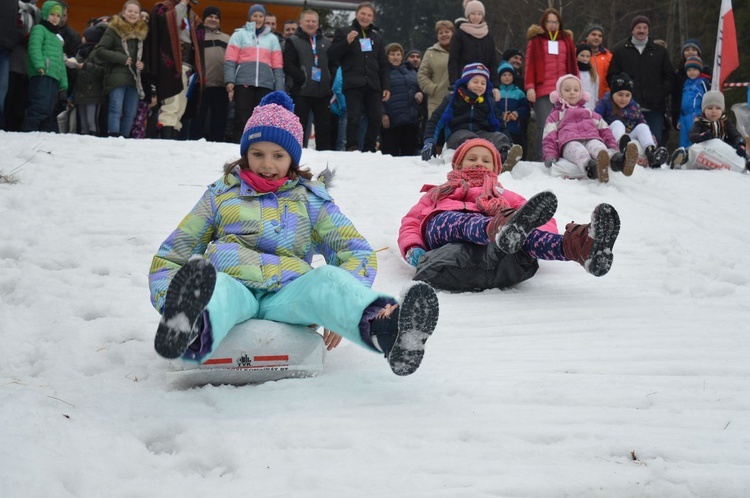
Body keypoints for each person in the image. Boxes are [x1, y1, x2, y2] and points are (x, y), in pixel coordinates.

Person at [149, 91, 440, 377]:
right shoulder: (221, 194)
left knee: (327, 280)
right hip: (236, 284)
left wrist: (338, 311)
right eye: (257, 154)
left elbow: (355, 251)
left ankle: (385, 329)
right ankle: (190, 324)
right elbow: (173, 254)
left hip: (288, 293)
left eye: (278, 155)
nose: (267, 164)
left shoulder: (310, 200)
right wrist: (166, 302)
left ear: (293, 159)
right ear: (244, 155)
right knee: (216, 288)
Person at [399, 138, 622, 294]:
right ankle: (498, 228)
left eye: (486, 161)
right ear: (457, 164)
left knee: (524, 235)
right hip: (443, 232)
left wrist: (537, 235)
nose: (479, 163)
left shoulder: (503, 194)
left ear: (495, 168)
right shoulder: (440, 192)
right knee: (459, 221)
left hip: (495, 241)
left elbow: (538, 217)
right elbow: (411, 221)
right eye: (472, 158)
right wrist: (412, 248)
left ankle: (582, 249)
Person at [422, 62, 522, 170]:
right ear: (466, 82)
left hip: (481, 134)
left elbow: (500, 125)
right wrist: (429, 141)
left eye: (483, 83)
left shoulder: (488, 102)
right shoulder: (452, 99)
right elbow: (435, 121)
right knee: (470, 139)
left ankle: (505, 157)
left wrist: (508, 141)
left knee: (499, 137)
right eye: (475, 82)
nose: (479, 85)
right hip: (457, 135)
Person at [542, 74, 637, 183]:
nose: (572, 92)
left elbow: (604, 128)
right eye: (567, 90)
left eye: (576, 90)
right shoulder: (555, 115)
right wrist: (550, 155)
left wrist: (612, 146)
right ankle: (592, 168)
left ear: (581, 94)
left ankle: (618, 162)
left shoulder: (589, 112)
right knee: (579, 152)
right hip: (569, 142)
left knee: (599, 147)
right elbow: (549, 137)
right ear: (559, 94)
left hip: (592, 137)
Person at [328, 2, 390, 152]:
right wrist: (346, 42)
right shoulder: (343, 32)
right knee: (353, 117)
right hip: (353, 83)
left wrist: (386, 86)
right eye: (363, 13)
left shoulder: (377, 38)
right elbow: (331, 56)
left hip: (373, 84)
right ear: (357, 14)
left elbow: (383, 64)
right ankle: (352, 146)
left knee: (375, 118)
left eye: (369, 15)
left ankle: (369, 148)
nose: (365, 17)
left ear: (373, 18)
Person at [607, 15, 674, 146]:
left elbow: (670, 76)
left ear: (648, 30)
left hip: (654, 108)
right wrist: (621, 95)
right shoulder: (620, 51)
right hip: (626, 107)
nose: (641, 31)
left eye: (645, 28)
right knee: (626, 143)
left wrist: (661, 93)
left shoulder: (660, 52)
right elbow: (611, 76)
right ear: (632, 30)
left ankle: (655, 163)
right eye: (638, 27)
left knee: (654, 141)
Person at [145, 0, 205, 140]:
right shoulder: (163, 9)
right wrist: (182, 4)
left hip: (187, 67)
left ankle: (174, 140)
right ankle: (167, 141)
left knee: (180, 108)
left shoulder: (193, 16)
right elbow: (170, 23)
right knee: (171, 105)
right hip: (170, 67)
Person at [225, 4, 285, 144]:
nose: (257, 19)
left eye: (260, 16)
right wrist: (230, 81)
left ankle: (256, 145)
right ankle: (239, 145)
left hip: (265, 84)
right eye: (255, 15)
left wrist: (280, 89)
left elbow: (277, 66)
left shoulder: (272, 39)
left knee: (261, 117)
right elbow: (230, 60)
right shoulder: (239, 34)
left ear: (264, 18)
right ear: (249, 17)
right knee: (242, 115)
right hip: (243, 82)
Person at [524, 8, 578, 160]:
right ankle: (540, 159)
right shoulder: (536, 40)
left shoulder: (566, 40)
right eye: (549, 21)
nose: (553, 25)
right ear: (544, 23)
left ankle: (560, 156)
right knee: (544, 125)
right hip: (543, 91)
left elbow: (573, 66)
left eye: (555, 22)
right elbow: (529, 65)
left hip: (564, 92)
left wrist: (577, 88)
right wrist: (530, 87)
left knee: (563, 125)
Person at [95, 0, 148, 138]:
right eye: (129, 11)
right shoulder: (113, 29)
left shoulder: (142, 33)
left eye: (136, 12)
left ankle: (124, 139)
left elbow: (147, 56)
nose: (132, 14)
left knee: (130, 112)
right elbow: (99, 50)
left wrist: (143, 64)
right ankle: (113, 136)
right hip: (116, 77)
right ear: (123, 12)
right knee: (115, 108)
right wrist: (121, 58)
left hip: (135, 79)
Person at [594, 72, 669, 169]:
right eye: (620, 95)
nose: (623, 99)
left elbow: (641, 121)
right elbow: (594, 120)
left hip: (629, 136)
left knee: (642, 126)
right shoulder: (605, 103)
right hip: (610, 137)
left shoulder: (633, 106)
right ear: (613, 93)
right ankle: (621, 147)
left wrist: (650, 136)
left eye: (627, 95)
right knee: (617, 123)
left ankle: (651, 152)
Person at [283, 9, 332, 150]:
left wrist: (329, 78)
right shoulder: (293, 41)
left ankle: (325, 155)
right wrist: (301, 77)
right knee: (299, 126)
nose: (311, 24)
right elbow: (288, 64)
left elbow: (333, 63)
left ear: (318, 24)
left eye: (314, 21)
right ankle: (296, 152)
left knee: (324, 127)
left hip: (322, 92)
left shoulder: (326, 42)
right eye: (308, 21)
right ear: (301, 23)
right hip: (301, 91)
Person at [669, 90, 749, 173]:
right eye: (710, 108)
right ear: (704, 109)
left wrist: (740, 144)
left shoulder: (725, 123)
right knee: (692, 149)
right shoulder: (700, 122)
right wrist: (701, 136)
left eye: (718, 108)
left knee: (739, 152)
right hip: (705, 152)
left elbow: (735, 135)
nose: (713, 111)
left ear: (722, 110)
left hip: (723, 152)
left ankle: (747, 162)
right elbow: (692, 135)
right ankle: (680, 160)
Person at [22, 0, 68, 132]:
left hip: (53, 76)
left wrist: (63, 81)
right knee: (38, 107)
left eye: (58, 16)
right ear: (46, 14)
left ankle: (43, 138)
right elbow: (34, 48)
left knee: (49, 110)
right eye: (52, 14)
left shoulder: (56, 37)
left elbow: (60, 59)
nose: (55, 18)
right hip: (41, 74)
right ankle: (28, 133)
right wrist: (39, 65)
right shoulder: (39, 29)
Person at [188, 6, 230, 142]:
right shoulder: (197, 36)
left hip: (221, 85)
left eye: (216, 17)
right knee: (198, 118)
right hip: (201, 85)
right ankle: (194, 143)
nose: (213, 19)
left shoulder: (227, 38)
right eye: (210, 16)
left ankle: (218, 143)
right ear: (204, 19)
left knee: (219, 119)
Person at [448, 1, 499, 102]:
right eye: (473, 14)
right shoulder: (460, 34)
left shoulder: (488, 36)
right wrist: (454, 83)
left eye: (479, 14)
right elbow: (453, 60)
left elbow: (493, 63)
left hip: (483, 85)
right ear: (468, 15)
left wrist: (495, 86)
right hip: (463, 84)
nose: (476, 17)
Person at [381, 43, 422, 157]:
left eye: (398, 54)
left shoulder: (411, 71)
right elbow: (376, 96)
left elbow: (419, 87)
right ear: (387, 56)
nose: (395, 57)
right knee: (390, 157)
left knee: (408, 157)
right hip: (391, 121)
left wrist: (420, 93)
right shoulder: (382, 73)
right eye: (392, 54)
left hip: (410, 120)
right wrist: (382, 113)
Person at [71, 24, 106, 136]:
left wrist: (85, 66)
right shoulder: (81, 51)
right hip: (80, 91)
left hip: (94, 92)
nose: (82, 38)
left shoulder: (99, 52)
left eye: (85, 36)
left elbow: (103, 71)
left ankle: (94, 143)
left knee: (92, 121)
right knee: (83, 123)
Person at [671, 38, 711, 135]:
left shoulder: (706, 73)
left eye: (693, 49)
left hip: (699, 115)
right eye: (687, 50)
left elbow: (709, 96)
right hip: (683, 115)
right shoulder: (679, 73)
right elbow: (676, 97)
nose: (690, 52)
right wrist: (676, 117)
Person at [417, 20, 454, 119]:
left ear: (453, 33)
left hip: (459, 99)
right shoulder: (430, 53)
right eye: (440, 33)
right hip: (437, 101)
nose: (444, 35)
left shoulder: (461, 50)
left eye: (447, 32)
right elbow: (422, 75)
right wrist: (433, 89)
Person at [677, 55, 710, 148]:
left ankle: (694, 159)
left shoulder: (702, 82)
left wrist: (703, 117)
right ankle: (682, 159)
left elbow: (707, 99)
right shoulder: (686, 83)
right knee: (683, 141)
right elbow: (683, 102)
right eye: (689, 70)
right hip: (684, 117)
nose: (691, 72)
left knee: (694, 141)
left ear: (699, 70)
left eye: (694, 69)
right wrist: (680, 119)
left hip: (695, 115)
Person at [496, 62, 529, 149]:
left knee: (515, 147)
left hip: (515, 128)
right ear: (499, 77)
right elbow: (492, 107)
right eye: (504, 75)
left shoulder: (519, 93)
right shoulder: (496, 92)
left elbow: (525, 107)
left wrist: (516, 113)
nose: (507, 77)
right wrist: (502, 114)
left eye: (510, 75)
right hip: (499, 127)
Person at [0, 0, 21, 130]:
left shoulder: (15, 3)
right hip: (5, 47)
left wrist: (13, 40)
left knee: (3, 88)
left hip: (6, 48)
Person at [581, 24, 612, 100]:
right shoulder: (577, 53)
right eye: (593, 34)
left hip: (604, 99)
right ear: (587, 36)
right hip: (582, 99)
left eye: (599, 36)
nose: (596, 37)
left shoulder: (609, 57)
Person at [576, 44, 598, 111]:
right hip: (577, 105)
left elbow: (595, 90)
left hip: (590, 106)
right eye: (582, 55)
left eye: (587, 56)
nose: (585, 58)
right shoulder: (574, 71)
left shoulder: (593, 73)